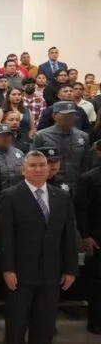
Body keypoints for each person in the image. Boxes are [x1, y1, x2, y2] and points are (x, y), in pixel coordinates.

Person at [0, 150, 79, 344]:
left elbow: (68, 236)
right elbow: (4, 236)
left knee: (45, 327)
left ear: (49, 169)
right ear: (23, 170)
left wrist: (70, 269)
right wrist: (7, 269)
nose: (38, 169)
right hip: (20, 274)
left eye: (42, 165)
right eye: (32, 165)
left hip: (51, 274)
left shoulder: (62, 197)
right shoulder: (10, 196)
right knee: (16, 326)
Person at [31, 101, 91, 191]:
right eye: (65, 115)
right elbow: (33, 162)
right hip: (50, 186)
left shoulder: (83, 136)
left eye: (72, 115)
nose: (69, 118)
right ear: (54, 116)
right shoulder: (41, 136)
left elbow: (86, 164)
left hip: (76, 185)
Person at [76, 141, 101, 335]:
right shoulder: (88, 178)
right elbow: (82, 210)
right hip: (97, 238)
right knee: (96, 282)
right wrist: (86, 236)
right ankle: (96, 321)